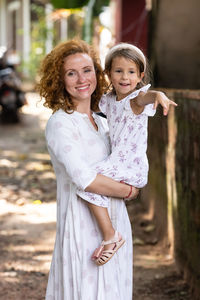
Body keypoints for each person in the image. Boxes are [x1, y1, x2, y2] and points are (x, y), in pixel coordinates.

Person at [38, 39, 175, 299]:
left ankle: (111, 235)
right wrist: (129, 192)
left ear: (98, 74)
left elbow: (135, 110)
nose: (81, 79)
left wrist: (129, 190)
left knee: (113, 290)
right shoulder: (61, 124)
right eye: (71, 73)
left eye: (87, 70)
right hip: (80, 223)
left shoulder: (103, 123)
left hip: (115, 220)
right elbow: (85, 179)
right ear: (60, 79)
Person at [76, 43, 177, 265]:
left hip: (131, 167)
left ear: (140, 76)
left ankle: (111, 236)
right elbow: (87, 105)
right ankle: (105, 232)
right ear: (108, 73)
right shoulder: (108, 100)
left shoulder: (135, 100)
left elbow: (146, 97)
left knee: (85, 180)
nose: (125, 77)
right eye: (118, 71)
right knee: (85, 182)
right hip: (116, 164)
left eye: (131, 72)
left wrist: (158, 94)